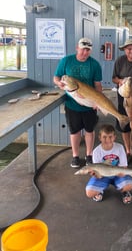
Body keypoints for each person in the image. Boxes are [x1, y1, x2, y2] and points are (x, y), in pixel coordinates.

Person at [53, 37, 102, 168]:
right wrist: (59, 84)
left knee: (89, 130)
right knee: (74, 131)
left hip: (89, 104)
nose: (85, 53)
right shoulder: (66, 61)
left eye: (88, 50)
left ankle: (89, 155)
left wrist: (99, 101)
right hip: (72, 103)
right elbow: (56, 77)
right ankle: (75, 156)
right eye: (82, 49)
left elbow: (97, 85)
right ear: (77, 48)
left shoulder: (95, 64)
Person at [86, 124, 132, 204]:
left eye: (110, 137)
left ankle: (124, 191)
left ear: (114, 137)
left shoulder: (120, 147)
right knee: (89, 192)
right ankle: (100, 190)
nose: (108, 139)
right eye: (104, 137)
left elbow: (124, 166)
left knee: (129, 186)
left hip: (117, 174)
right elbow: (98, 172)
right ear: (100, 137)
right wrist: (94, 174)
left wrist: (122, 173)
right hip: (103, 176)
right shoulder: (96, 151)